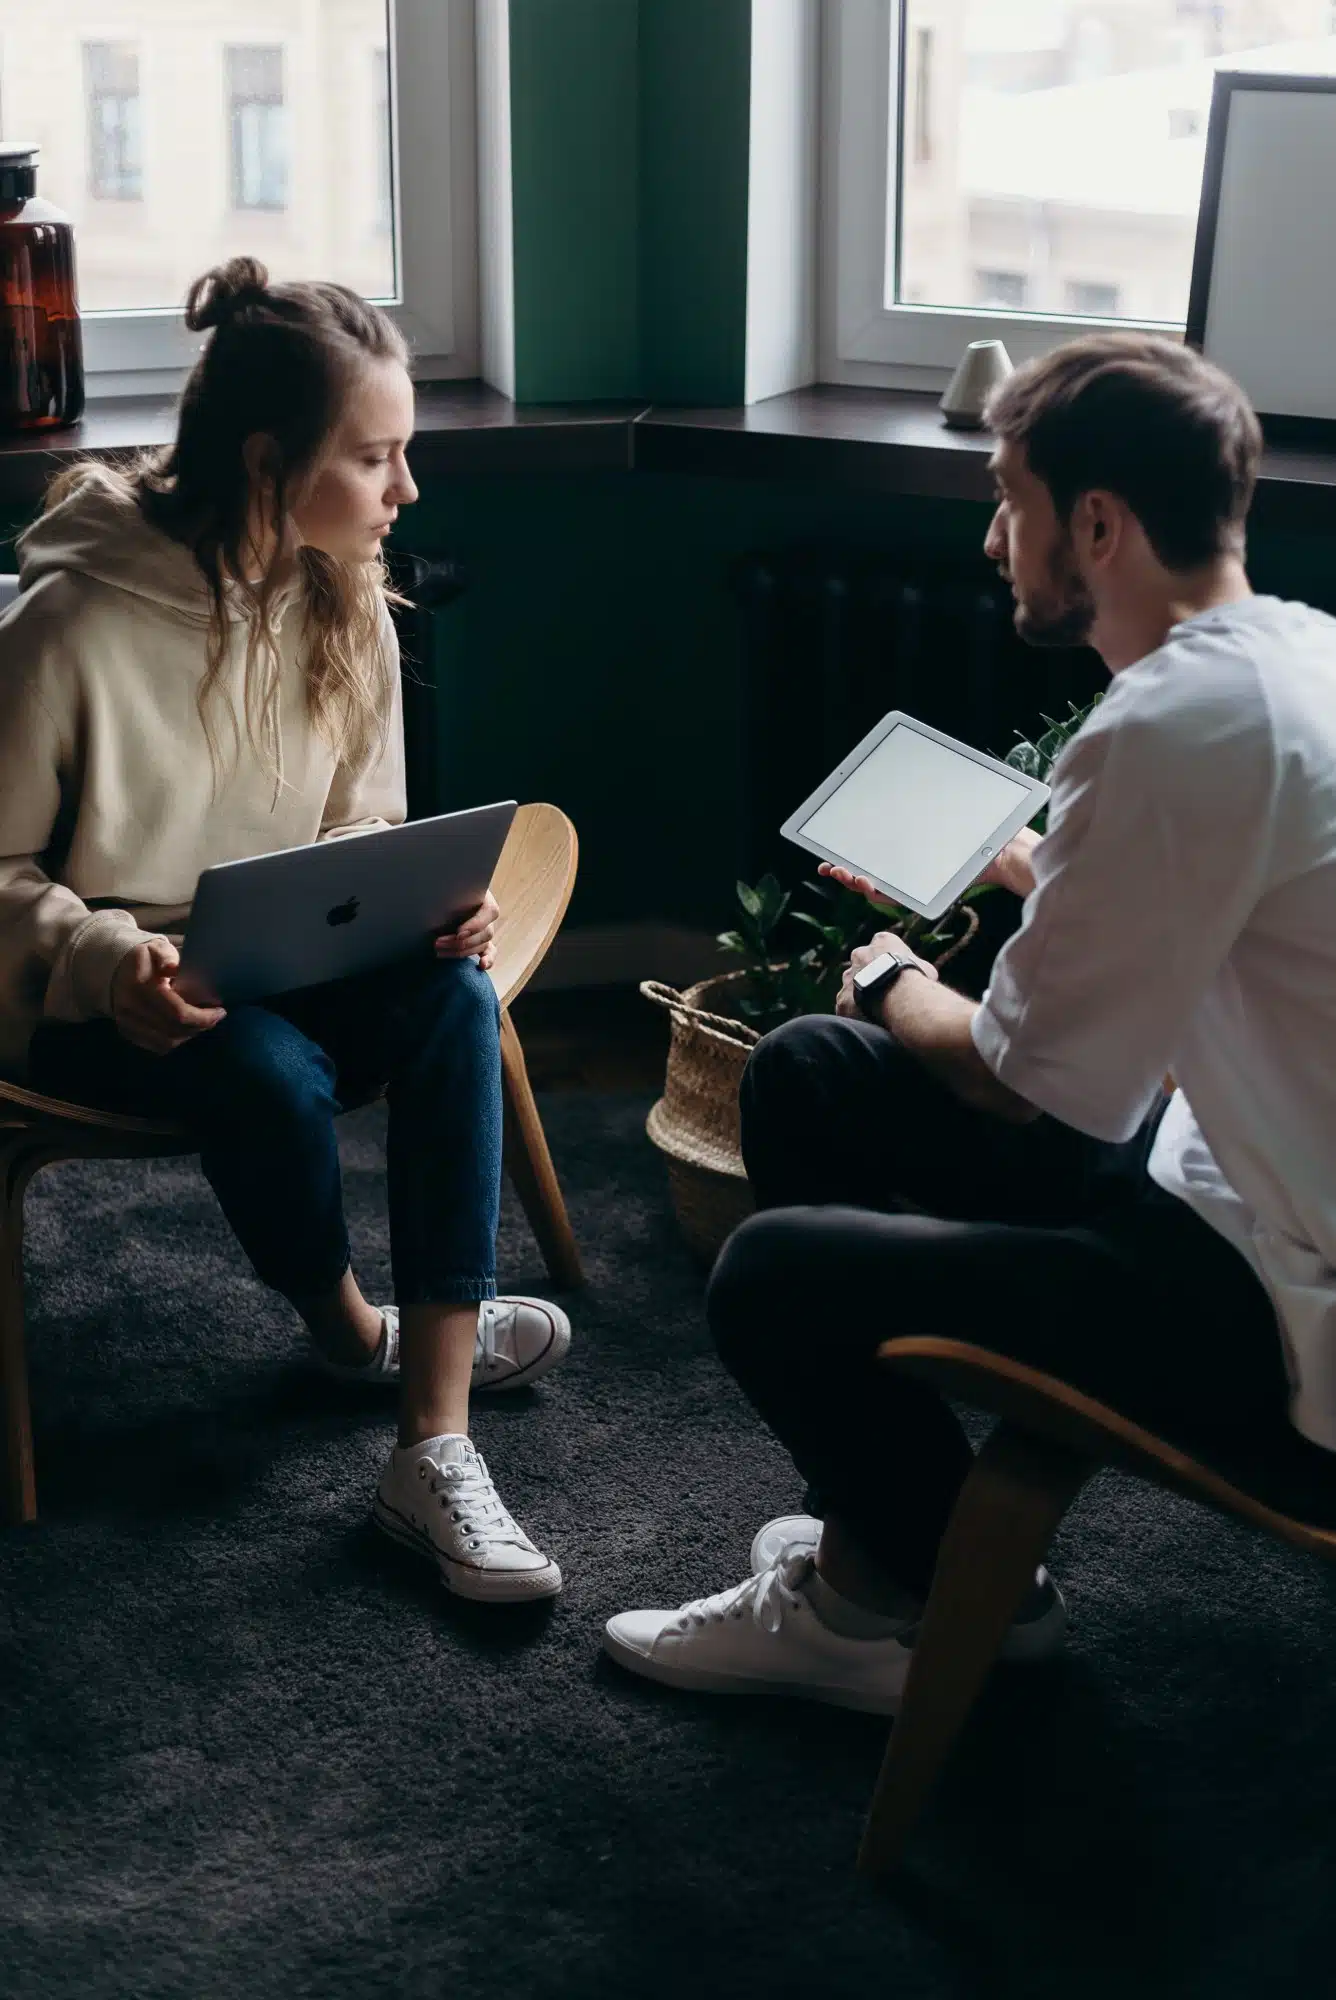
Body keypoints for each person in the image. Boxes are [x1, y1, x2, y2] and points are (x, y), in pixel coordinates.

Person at [605, 332, 1336, 1710]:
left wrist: (892, 975)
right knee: (812, 1073)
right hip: (1225, 1181)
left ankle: (896, 1602)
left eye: (1011, 500)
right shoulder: (1293, 663)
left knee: (771, 1269)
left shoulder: (1169, 727)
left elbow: (1018, 1087)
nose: (997, 539)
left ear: (1100, 525)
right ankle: (903, 1556)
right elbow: (1203, 909)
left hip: (1276, 1309)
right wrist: (1034, 866)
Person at [0, 257, 570, 1604]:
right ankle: (350, 1329)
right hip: (106, 1000)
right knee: (264, 1068)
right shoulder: (70, 619)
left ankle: (431, 1445)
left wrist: (432, 910)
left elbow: (358, 835)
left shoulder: (347, 592)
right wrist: (102, 958)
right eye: (376, 459)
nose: (406, 490)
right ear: (268, 463)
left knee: (454, 1003)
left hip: (286, 963)